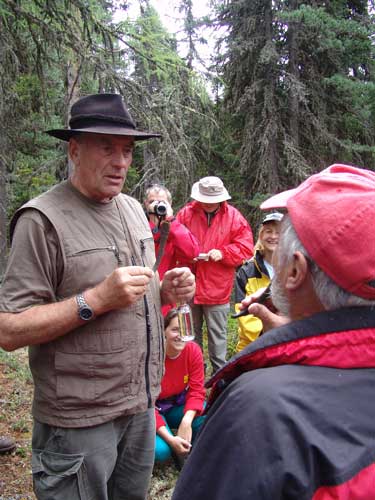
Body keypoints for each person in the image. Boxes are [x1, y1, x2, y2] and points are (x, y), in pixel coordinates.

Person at [0, 93, 195, 500]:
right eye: (106, 147)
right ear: (74, 149)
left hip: (141, 408)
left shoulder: (131, 209)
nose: (121, 161)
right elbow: (10, 329)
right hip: (78, 422)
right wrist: (95, 299)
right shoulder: (41, 220)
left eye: (126, 150)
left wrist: (164, 289)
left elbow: (133, 299)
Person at [172, 164, 375, 500]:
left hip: (219, 292)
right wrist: (302, 333)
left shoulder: (257, 409)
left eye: (281, 240)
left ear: (294, 270)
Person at [177, 176, 254, 373]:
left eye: (212, 200)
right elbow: (173, 242)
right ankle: (193, 375)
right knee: (189, 335)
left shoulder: (234, 217)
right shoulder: (186, 214)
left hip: (217, 288)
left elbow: (246, 248)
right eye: (205, 199)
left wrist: (223, 253)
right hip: (189, 286)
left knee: (217, 337)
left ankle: (220, 378)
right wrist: (188, 253)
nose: (209, 203)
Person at [154, 309, 205, 469]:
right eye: (175, 329)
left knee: (204, 414)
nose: (180, 335)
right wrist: (170, 439)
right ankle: (173, 445)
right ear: (164, 331)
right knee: (161, 451)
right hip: (153, 410)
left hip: (176, 405)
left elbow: (197, 390)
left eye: (185, 330)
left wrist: (186, 420)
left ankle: (191, 449)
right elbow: (146, 405)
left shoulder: (193, 350)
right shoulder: (153, 355)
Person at [144, 184, 199, 318]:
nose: (157, 206)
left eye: (162, 202)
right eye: (152, 202)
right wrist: (153, 223)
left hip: (166, 298)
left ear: (169, 204)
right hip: (142, 295)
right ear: (145, 204)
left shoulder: (174, 228)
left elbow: (193, 252)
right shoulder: (137, 224)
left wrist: (170, 222)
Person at [234, 212, 282, 351]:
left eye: (278, 232)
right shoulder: (247, 271)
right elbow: (244, 317)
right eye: (269, 231)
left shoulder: (294, 268)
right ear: (261, 235)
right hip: (252, 348)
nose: (273, 236)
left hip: (286, 345)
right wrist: (272, 337)